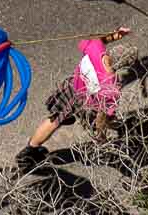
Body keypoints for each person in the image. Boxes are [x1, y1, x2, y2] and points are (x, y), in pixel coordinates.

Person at [15, 27, 132, 168]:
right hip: (87, 104)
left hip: (72, 88)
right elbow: (102, 115)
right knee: (107, 118)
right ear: (123, 66)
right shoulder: (111, 86)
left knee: (54, 119)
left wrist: (114, 35)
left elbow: (98, 39)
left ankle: (30, 151)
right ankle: (125, 128)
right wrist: (101, 137)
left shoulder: (96, 48)